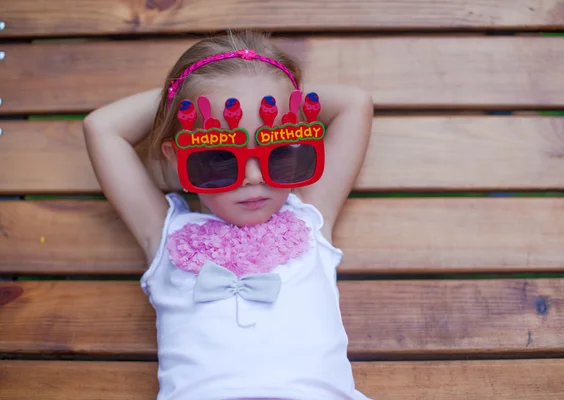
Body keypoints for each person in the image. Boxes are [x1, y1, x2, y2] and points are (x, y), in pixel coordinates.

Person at [83, 30, 374, 400]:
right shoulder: (163, 233)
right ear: (176, 157)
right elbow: (102, 128)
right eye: (220, 157)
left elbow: (355, 104)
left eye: (279, 152)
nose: (254, 177)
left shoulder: (310, 217)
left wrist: (264, 85)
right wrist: (183, 98)